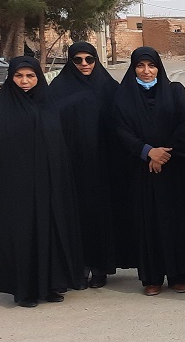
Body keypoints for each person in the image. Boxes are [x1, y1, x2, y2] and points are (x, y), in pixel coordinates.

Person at [112, 47, 185, 295]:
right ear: (133, 68)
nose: (146, 71)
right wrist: (147, 152)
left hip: (175, 169)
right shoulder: (123, 95)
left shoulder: (175, 91)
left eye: (151, 65)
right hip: (141, 170)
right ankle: (152, 277)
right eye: (140, 66)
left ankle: (179, 275)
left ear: (159, 67)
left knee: (178, 221)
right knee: (148, 222)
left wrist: (163, 154)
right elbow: (120, 130)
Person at [0, 57, 82, 307]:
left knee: (51, 230)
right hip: (16, 186)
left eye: (30, 76)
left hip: (49, 182)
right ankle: (24, 291)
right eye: (19, 76)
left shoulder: (48, 103)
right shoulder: (2, 107)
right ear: (11, 78)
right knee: (23, 235)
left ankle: (51, 285)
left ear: (38, 77)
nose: (25, 81)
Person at [50, 41, 132, 288]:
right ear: (70, 61)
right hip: (71, 166)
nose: (84, 64)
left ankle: (100, 267)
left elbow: (124, 122)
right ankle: (79, 266)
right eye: (78, 60)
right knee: (74, 216)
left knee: (102, 216)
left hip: (104, 165)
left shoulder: (109, 87)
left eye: (89, 59)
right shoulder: (58, 88)